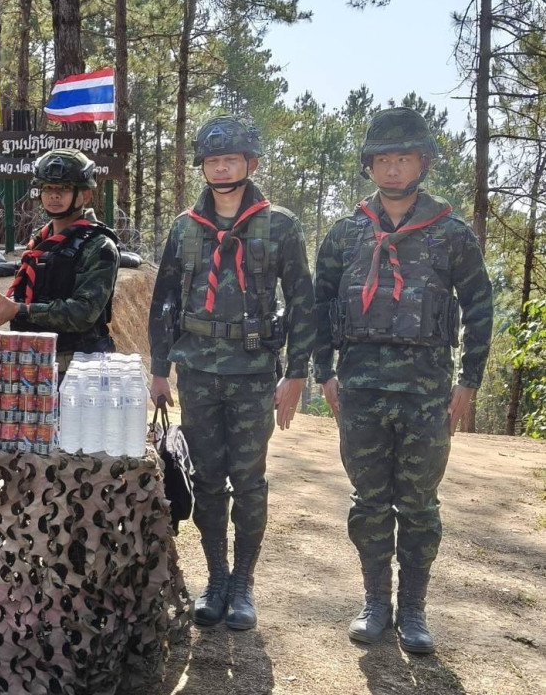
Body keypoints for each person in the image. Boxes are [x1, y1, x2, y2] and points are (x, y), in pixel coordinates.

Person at [313, 107, 493, 653]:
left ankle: (413, 609)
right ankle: (376, 602)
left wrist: (469, 381)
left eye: (404, 159)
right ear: (370, 165)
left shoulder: (452, 234)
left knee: (418, 505)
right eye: (383, 159)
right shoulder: (346, 233)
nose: (393, 169)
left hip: (427, 391)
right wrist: (324, 372)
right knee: (369, 502)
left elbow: (479, 306)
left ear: (423, 163)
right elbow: (318, 306)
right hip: (361, 387)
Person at [147, 115, 314, 630]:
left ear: (251, 164)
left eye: (231, 159)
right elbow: (163, 301)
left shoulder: (280, 225)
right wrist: (159, 369)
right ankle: (216, 577)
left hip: (253, 372)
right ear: (203, 167)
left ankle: (243, 582)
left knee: (249, 480)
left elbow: (303, 302)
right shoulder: (184, 228)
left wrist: (296, 375)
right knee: (206, 479)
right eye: (213, 160)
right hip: (197, 371)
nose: (221, 168)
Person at [0, 148, 120, 374]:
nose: (54, 195)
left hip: (79, 370)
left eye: (64, 188)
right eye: (47, 188)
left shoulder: (99, 246)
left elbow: (84, 313)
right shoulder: (41, 241)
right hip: (34, 362)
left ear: (86, 195)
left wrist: (21, 310)